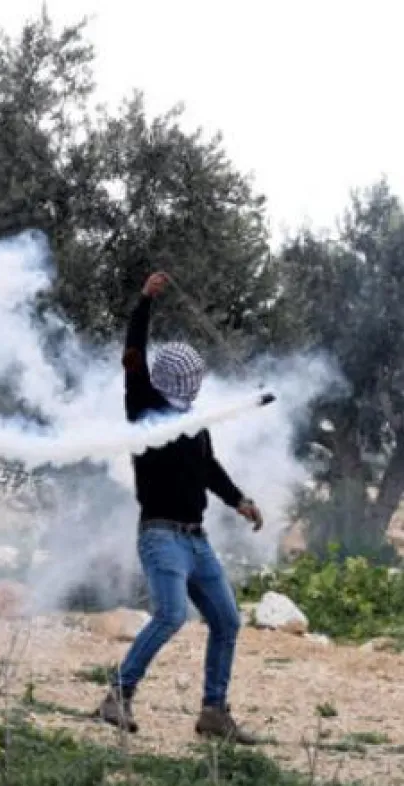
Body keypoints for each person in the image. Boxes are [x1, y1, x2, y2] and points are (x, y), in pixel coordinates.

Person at [96, 271, 264, 744]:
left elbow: (209, 469)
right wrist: (144, 302)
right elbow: (132, 358)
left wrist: (240, 501)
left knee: (227, 621)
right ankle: (117, 695)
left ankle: (214, 712)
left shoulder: (196, 425)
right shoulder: (145, 409)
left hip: (195, 539)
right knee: (170, 615)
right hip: (161, 535)